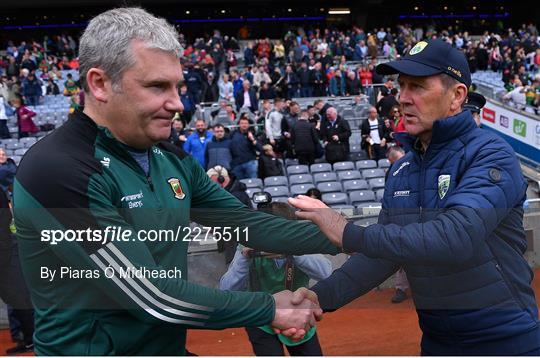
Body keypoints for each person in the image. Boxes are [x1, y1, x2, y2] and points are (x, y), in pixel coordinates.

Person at [13, 8, 338, 355]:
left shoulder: (170, 158)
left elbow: (247, 224)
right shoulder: (56, 170)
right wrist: (269, 308)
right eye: (157, 86)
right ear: (99, 84)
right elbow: (153, 296)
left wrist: (354, 235)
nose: (178, 103)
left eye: (177, 86)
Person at [288, 39, 540, 355]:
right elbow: (384, 255)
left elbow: (455, 236)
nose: (403, 99)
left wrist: (346, 232)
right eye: (402, 86)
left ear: (457, 96)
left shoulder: (490, 154)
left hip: (506, 341)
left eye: (417, 87)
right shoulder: (403, 167)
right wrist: (320, 297)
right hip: (437, 342)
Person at [220, 201, 331, 356]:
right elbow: (226, 290)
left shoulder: (300, 243)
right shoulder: (247, 245)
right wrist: (244, 258)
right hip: (260, 318)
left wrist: (296, 251)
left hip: (297, 315)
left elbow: (326, 273)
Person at [0, 185, 35, 354]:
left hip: (8, 252)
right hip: (8, 250)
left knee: (20, 299)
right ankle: (26, 339)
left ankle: (30, 340)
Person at [206, 165, 250, 264]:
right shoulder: (225, 193)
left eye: (211, 181)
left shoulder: (237, 195)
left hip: (236, 242)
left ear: (221, 179)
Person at [384, 146, 409, 304]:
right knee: (402, 256)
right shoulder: (391, 174)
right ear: (391, 161)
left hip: (419, 216)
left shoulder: (416, 169)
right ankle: (401, 288)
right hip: (399, 218)